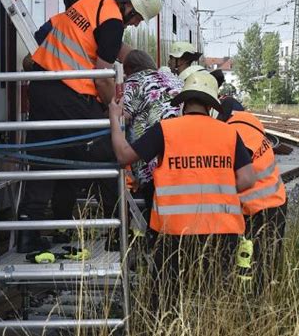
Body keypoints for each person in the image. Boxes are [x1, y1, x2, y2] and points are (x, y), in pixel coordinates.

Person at [17, 0, 163, 253]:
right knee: (109, 156)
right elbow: (102, 74)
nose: (134, 24)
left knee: (45, 160)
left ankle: (28, 233)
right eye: (138, 18)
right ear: (129, 6)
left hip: (42, 89)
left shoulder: (89, 5)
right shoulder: (111, 20)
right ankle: (118, 232)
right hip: (70, 95)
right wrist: (113, 109)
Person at [109, 71, 256, 305]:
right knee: (214, 299)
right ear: (211, 106)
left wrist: (114, 120)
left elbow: (123, 156)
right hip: (222, 232)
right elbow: (248, 178)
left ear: (184, 102)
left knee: (166, 298)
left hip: (173, 233)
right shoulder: (229, 132)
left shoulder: (165, 129)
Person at [226, 109, 287, 294]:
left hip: (256, 208)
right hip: (276, 201)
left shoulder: (232, 132)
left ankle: (250, 304)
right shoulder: (247, 119)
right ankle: (259, 300)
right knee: (265, 264)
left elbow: (237, 175)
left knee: (250, 266)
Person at [122, 50, 182, 222]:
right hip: (182, 151)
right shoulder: (172, 79)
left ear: (130, 69)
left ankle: (157, 238)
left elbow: (122, 116)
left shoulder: (134, 82)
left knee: (155, 204)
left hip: (153, 156)